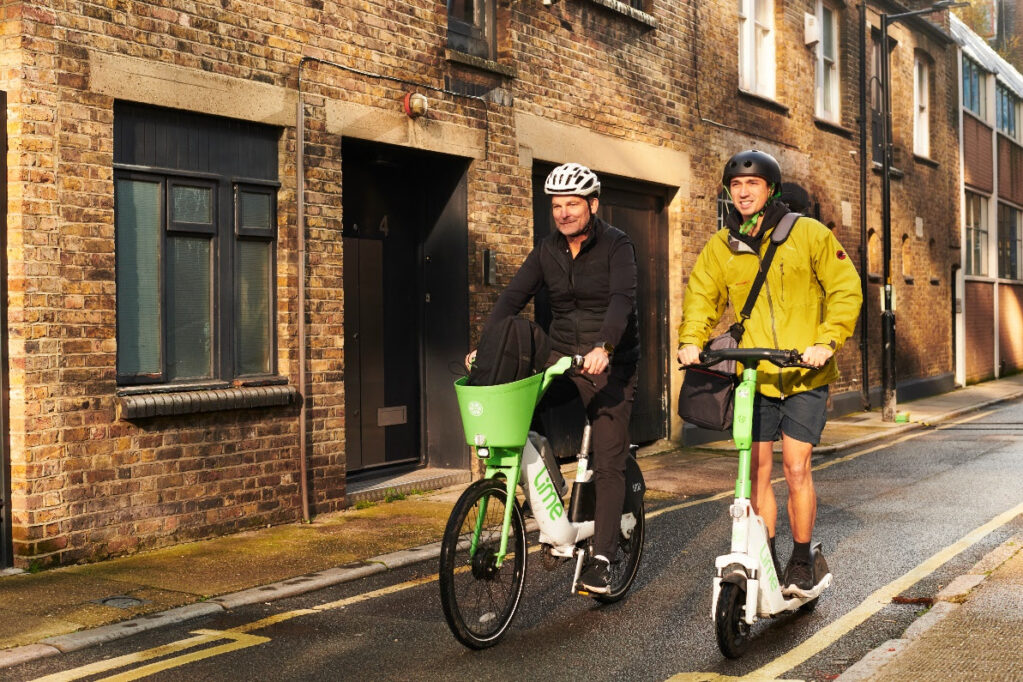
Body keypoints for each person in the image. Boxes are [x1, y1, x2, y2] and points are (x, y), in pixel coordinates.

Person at [677, 150, 861, 596]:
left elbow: (845, 289)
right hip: (754, 377)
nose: (743, 192)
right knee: (756, 472)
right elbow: (701, 297)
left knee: (796, 468)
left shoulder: (809, 234)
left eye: (752, 184)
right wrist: (691, 339)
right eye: (736, 185)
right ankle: (768, 559)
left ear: (770, 189)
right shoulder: (722, 247)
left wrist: (826, 342)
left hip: (803, 375)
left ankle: (801, 559)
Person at [466, 162, 640, 594]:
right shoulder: (547, 249)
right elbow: (512, 298)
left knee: (608, 456)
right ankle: (549, 488)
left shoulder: (617, 245)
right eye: (557, 206)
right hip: (561, 354)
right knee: (518, 408)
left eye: (572, 205)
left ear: (592, 205)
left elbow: (621, 302)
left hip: (608, 362)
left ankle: (603, 557)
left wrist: (605, 347)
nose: (563, 213)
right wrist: (487, 347)